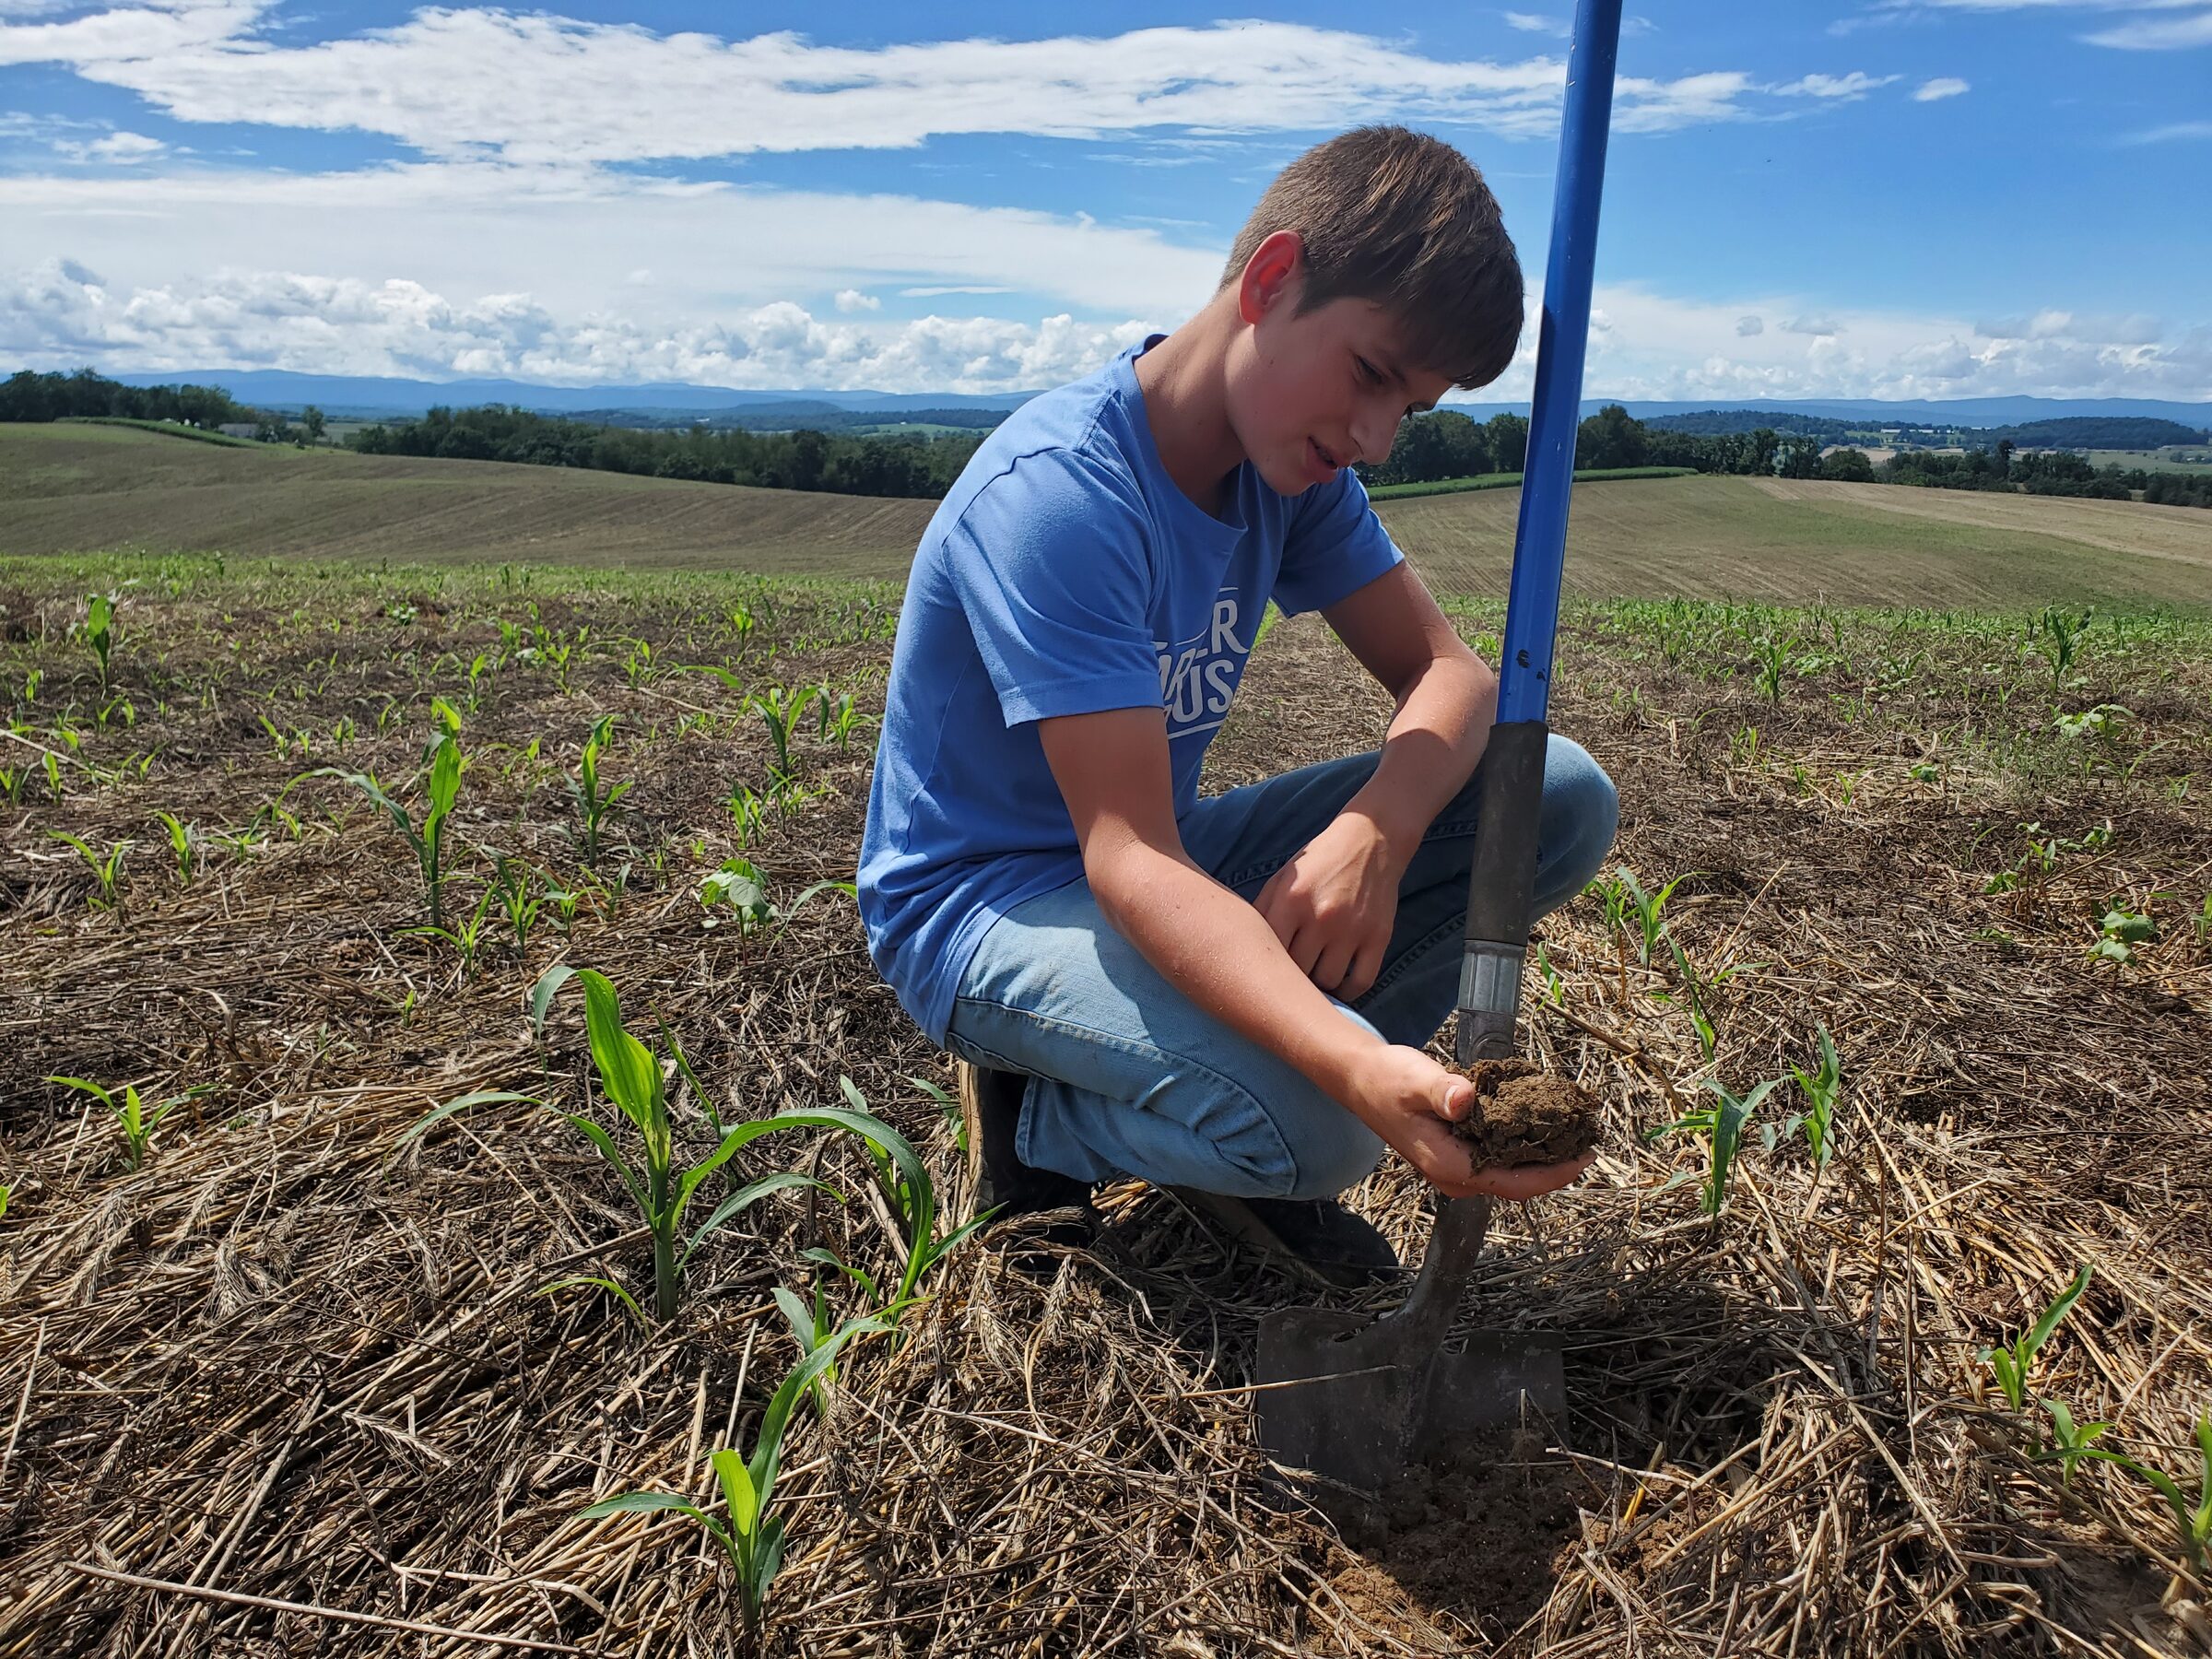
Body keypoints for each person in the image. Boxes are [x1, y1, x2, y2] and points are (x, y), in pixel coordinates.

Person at [856, 125, 1618, 1284]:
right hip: (986, 905)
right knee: (1320, 1129)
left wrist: (1379, 828)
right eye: (1370, 374)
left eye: (1407, 409)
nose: (1372, 438)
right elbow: (1126, 856)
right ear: (1271, 279)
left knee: (1555, 793)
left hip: (1157, 864)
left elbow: (1453, 675)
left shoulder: (1292, 473)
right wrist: (1346, 1066)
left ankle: (1241, 1072)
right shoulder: (1065, 496)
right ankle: (1033, 1126)